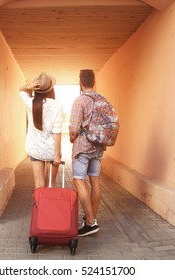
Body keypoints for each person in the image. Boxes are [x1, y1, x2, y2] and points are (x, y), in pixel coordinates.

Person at [69, 69, 105, 237]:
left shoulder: (80, 101)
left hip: (83, 148)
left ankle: (90, 222)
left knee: (78, 181)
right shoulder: (102, 100)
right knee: (95, 181)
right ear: (94, 81)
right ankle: (91, 220)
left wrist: (71, 138)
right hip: (98, 147)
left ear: (80, 82)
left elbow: (74, 128)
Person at [19, 72, 63, 189]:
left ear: (36, 90)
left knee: (39, 186)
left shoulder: (30, 103)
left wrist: (30, 86)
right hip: (52, 152)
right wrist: (57, 156)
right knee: (51, 185)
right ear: (51, 89)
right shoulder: (57, 105)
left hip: (35, 149)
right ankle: (49, 208)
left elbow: (21, 90)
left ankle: (39, 207)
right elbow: (57, 131)